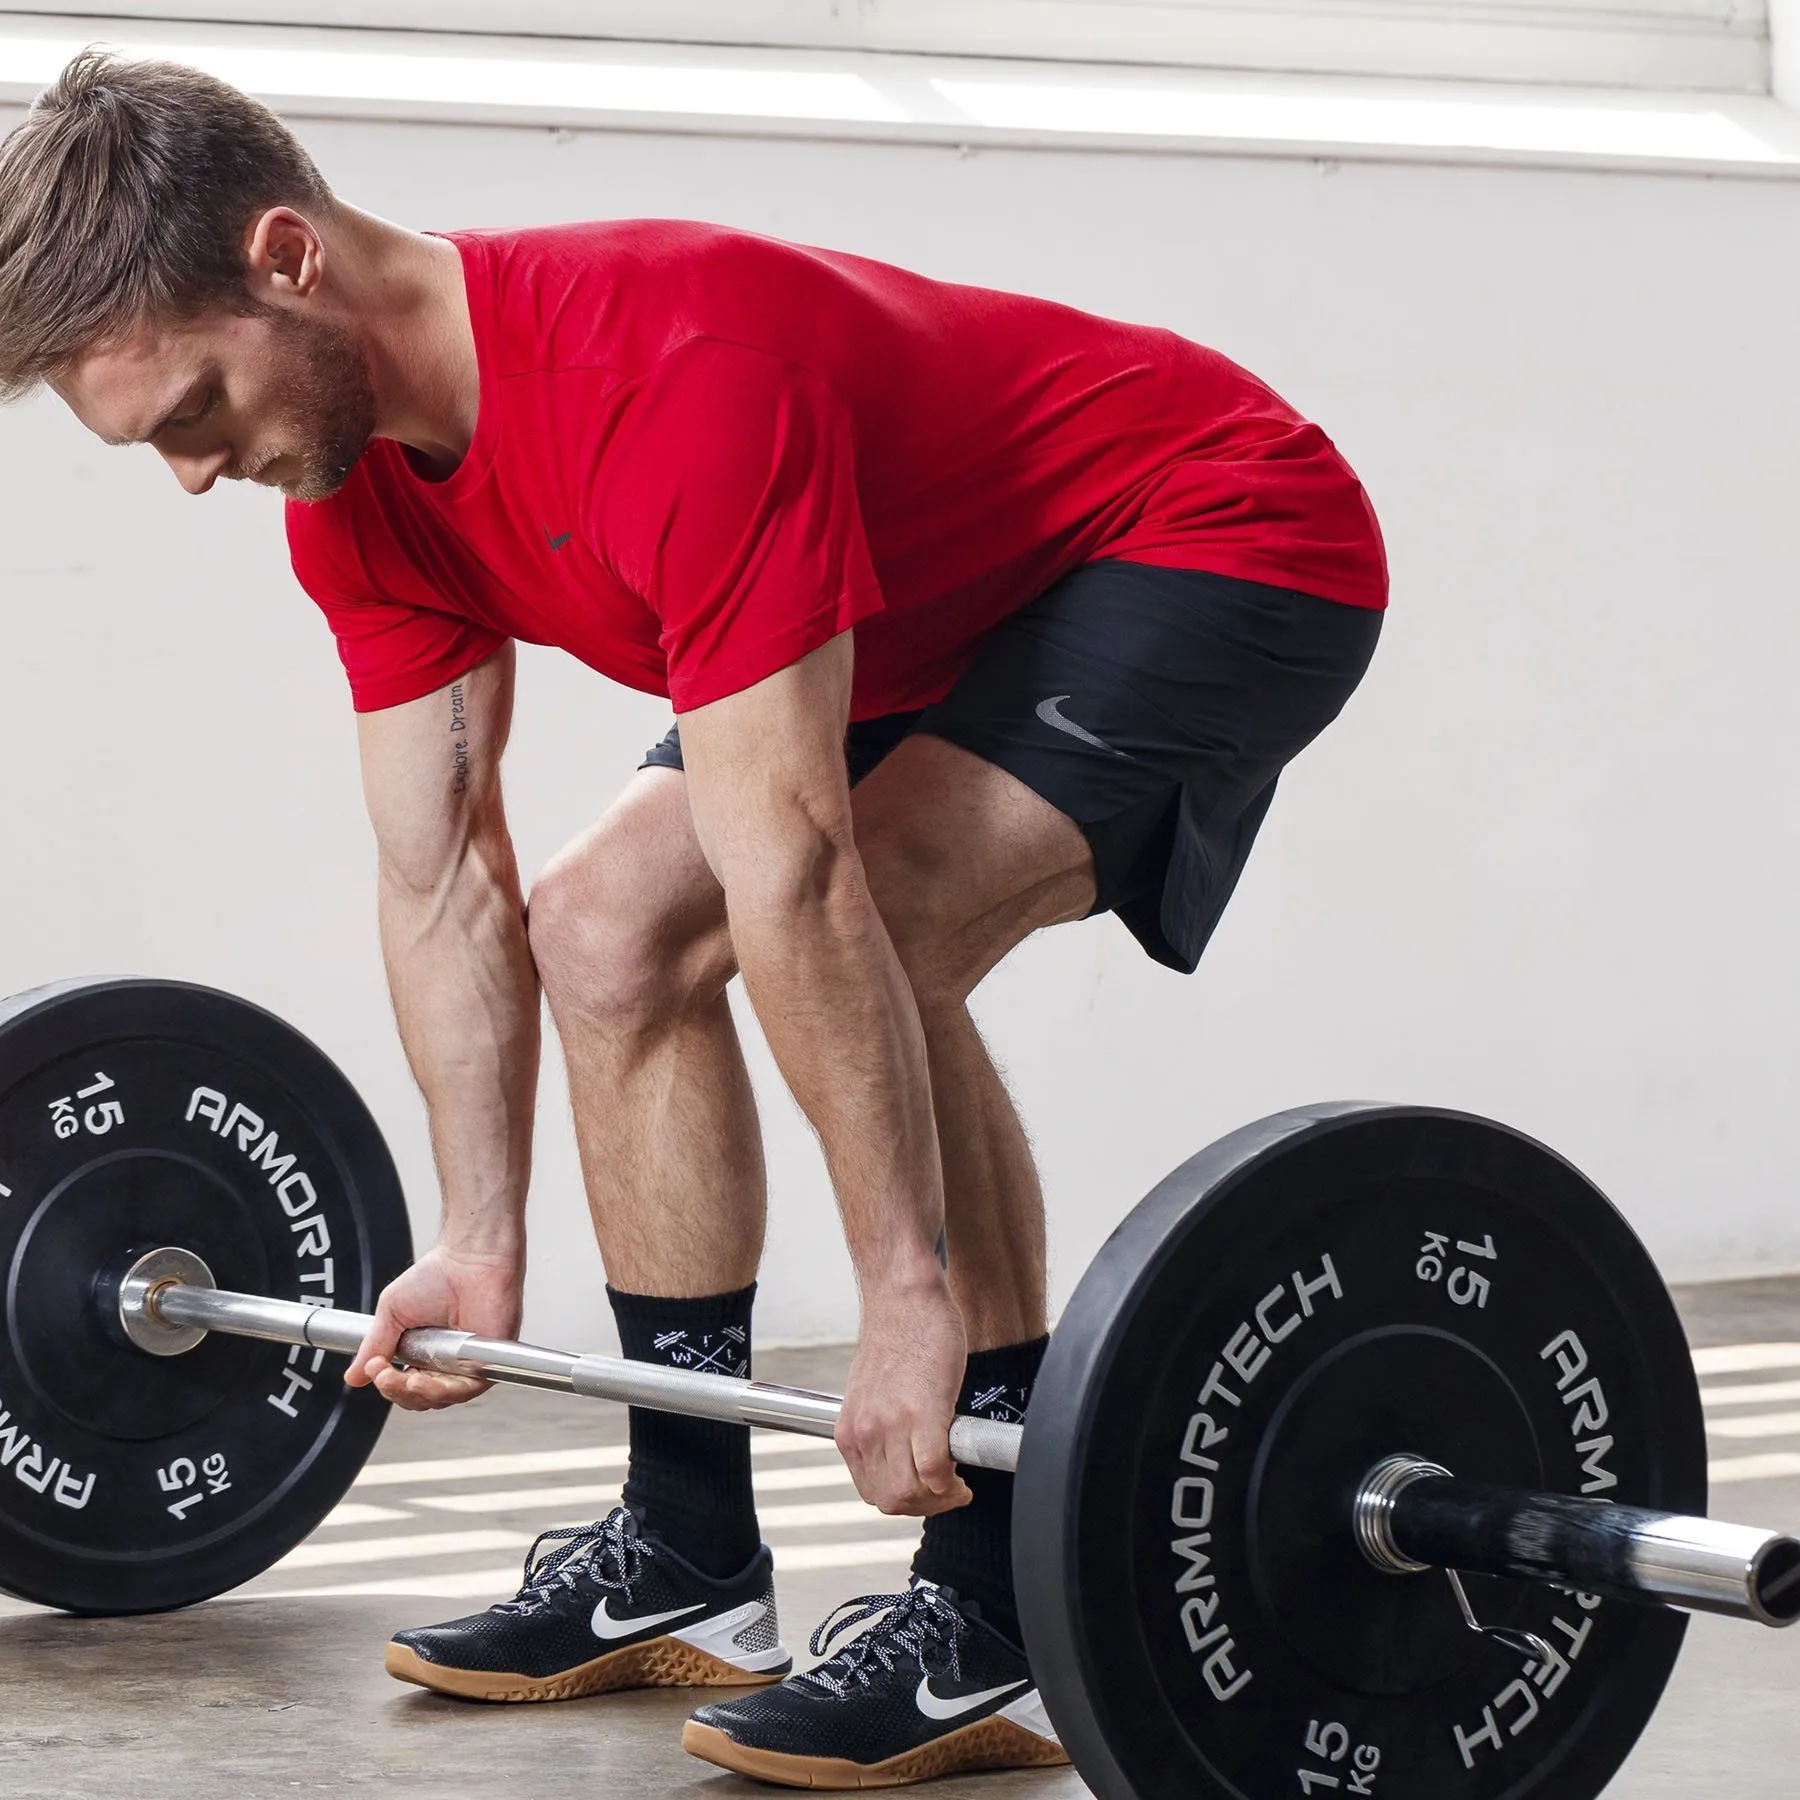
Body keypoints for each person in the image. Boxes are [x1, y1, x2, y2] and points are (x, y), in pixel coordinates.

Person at [0, 50, 1386, 1788]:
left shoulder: (668, 373)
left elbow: (797, 874)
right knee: (603, 928)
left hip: (1208, 528)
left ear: (288, 259)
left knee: (872, 900)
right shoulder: (353, 494)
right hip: (925, 592)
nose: (196, 474)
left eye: (194, 412)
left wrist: (903, 1297)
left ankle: (1012, 1602)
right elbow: (443, 874)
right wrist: (479, 1236)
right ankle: (689, 1554)